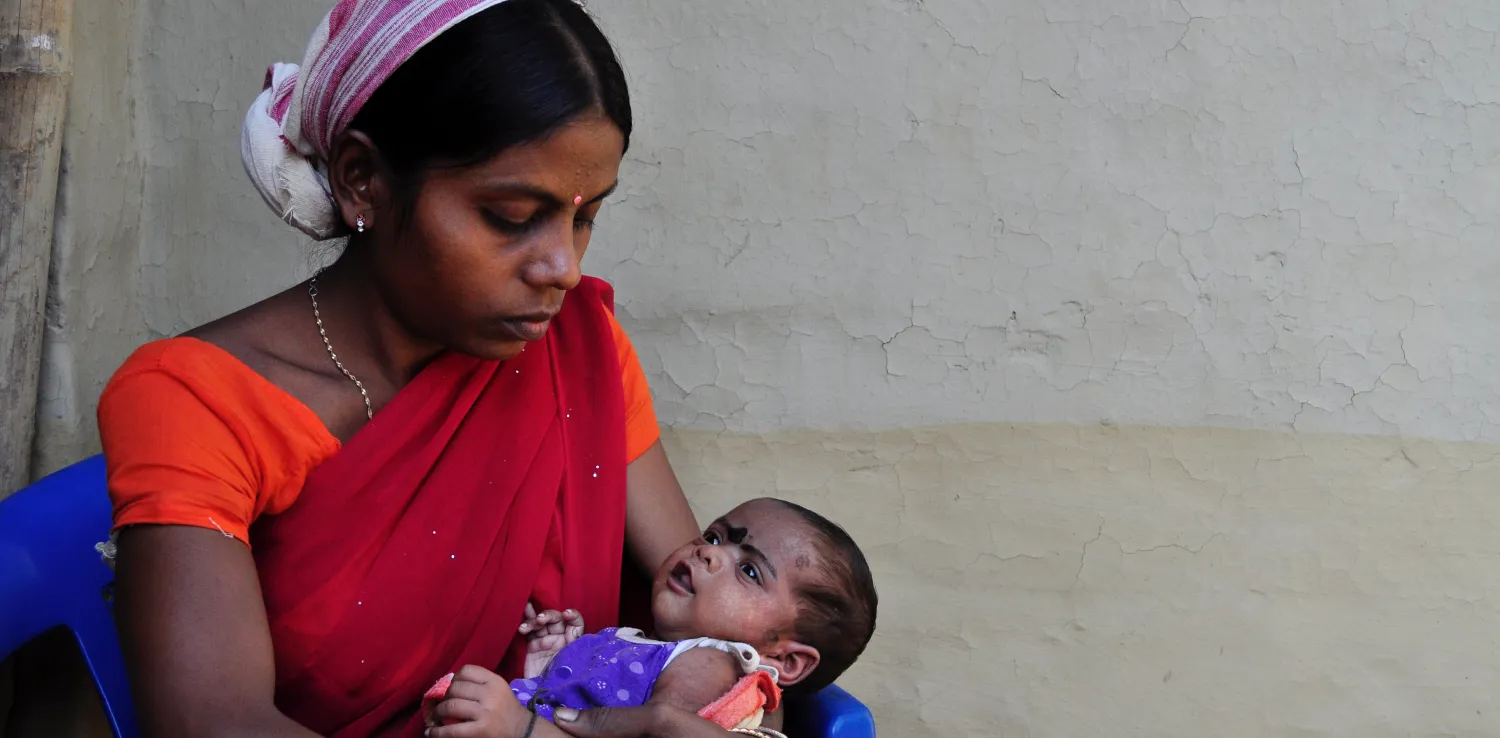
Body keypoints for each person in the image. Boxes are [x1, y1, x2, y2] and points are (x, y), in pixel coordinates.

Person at [96, 1, 763, 735]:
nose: (563, 267)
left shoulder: (581, 351)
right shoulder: (196, 401)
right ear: (361, 180)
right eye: (512, 217)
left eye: (584, 216)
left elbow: (711, 631)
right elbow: (214, 723)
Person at [421, 499, 879, 738]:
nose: (710, 554)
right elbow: (588, 709)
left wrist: (519, 728)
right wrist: (558, 666)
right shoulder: (659, 648)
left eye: (749, 569)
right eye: (714, 536)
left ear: (785, 658)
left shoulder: (713, 663)